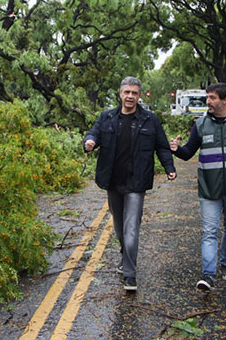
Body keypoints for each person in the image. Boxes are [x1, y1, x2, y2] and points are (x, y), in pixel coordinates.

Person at [83, 76, 177, 292]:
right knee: (119, 227)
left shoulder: (150, 120)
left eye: (134, 93)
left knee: (131, 228)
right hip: (113, 182)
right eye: (127, 92)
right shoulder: (107, 117)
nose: (130, 96)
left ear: (139, 95)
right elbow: (93, 134)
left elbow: (162, 146)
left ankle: (130, 275)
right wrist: (88, 142)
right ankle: (125, 257)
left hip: (137, 181)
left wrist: (169, 167)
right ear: (120, 93)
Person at [170, 82, 226, 290]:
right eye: (207, 97)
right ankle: (208, 276)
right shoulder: (200, 125)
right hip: (209, 189)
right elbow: (188, 153)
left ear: (225, 100)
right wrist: (176, 149)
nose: (208, 102)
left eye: (212, 98)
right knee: (210, 231)